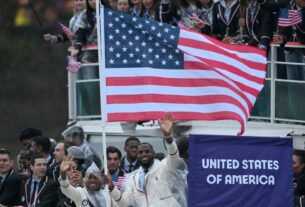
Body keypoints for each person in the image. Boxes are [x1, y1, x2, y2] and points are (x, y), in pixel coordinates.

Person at [104, 113, 183, 206]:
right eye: (140, 153)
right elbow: (124, 203)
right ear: (137, 156)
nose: (144, 154)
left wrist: (168, 137)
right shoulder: (132, 178)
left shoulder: (164, 167)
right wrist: (112, 187)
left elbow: (174, 156)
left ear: (153, 153)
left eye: (147, 151)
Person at [273, 0, 305, 120]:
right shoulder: (288, 8)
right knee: (293, 85)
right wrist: (282, 38)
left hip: (303, 49)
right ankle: (296, 117)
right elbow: (284, 30)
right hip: (290, 50)